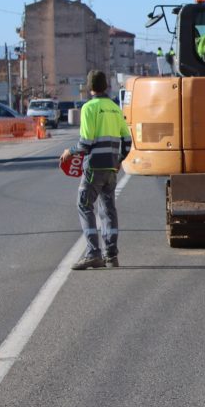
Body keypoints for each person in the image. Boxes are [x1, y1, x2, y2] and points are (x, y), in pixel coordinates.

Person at [63, 70, 132, 270]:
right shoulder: (114, 108)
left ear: (89, 88)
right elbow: (127, 140)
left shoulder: (89, 108)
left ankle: (93, 253)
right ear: (106, 87)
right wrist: (119, 161)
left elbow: (85, 143)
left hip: (93, 167)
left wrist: (69, 151)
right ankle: (111, 255)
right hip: (111, 167)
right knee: (108, 209)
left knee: (84, 205)